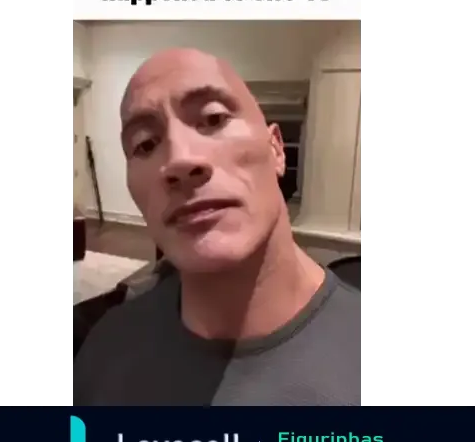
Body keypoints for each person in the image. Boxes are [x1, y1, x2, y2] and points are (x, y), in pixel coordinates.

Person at [68, 48, 363, 406]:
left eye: (213, 118)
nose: (180, 160)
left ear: (276, 149)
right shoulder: (104, 351)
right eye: (145, 144)